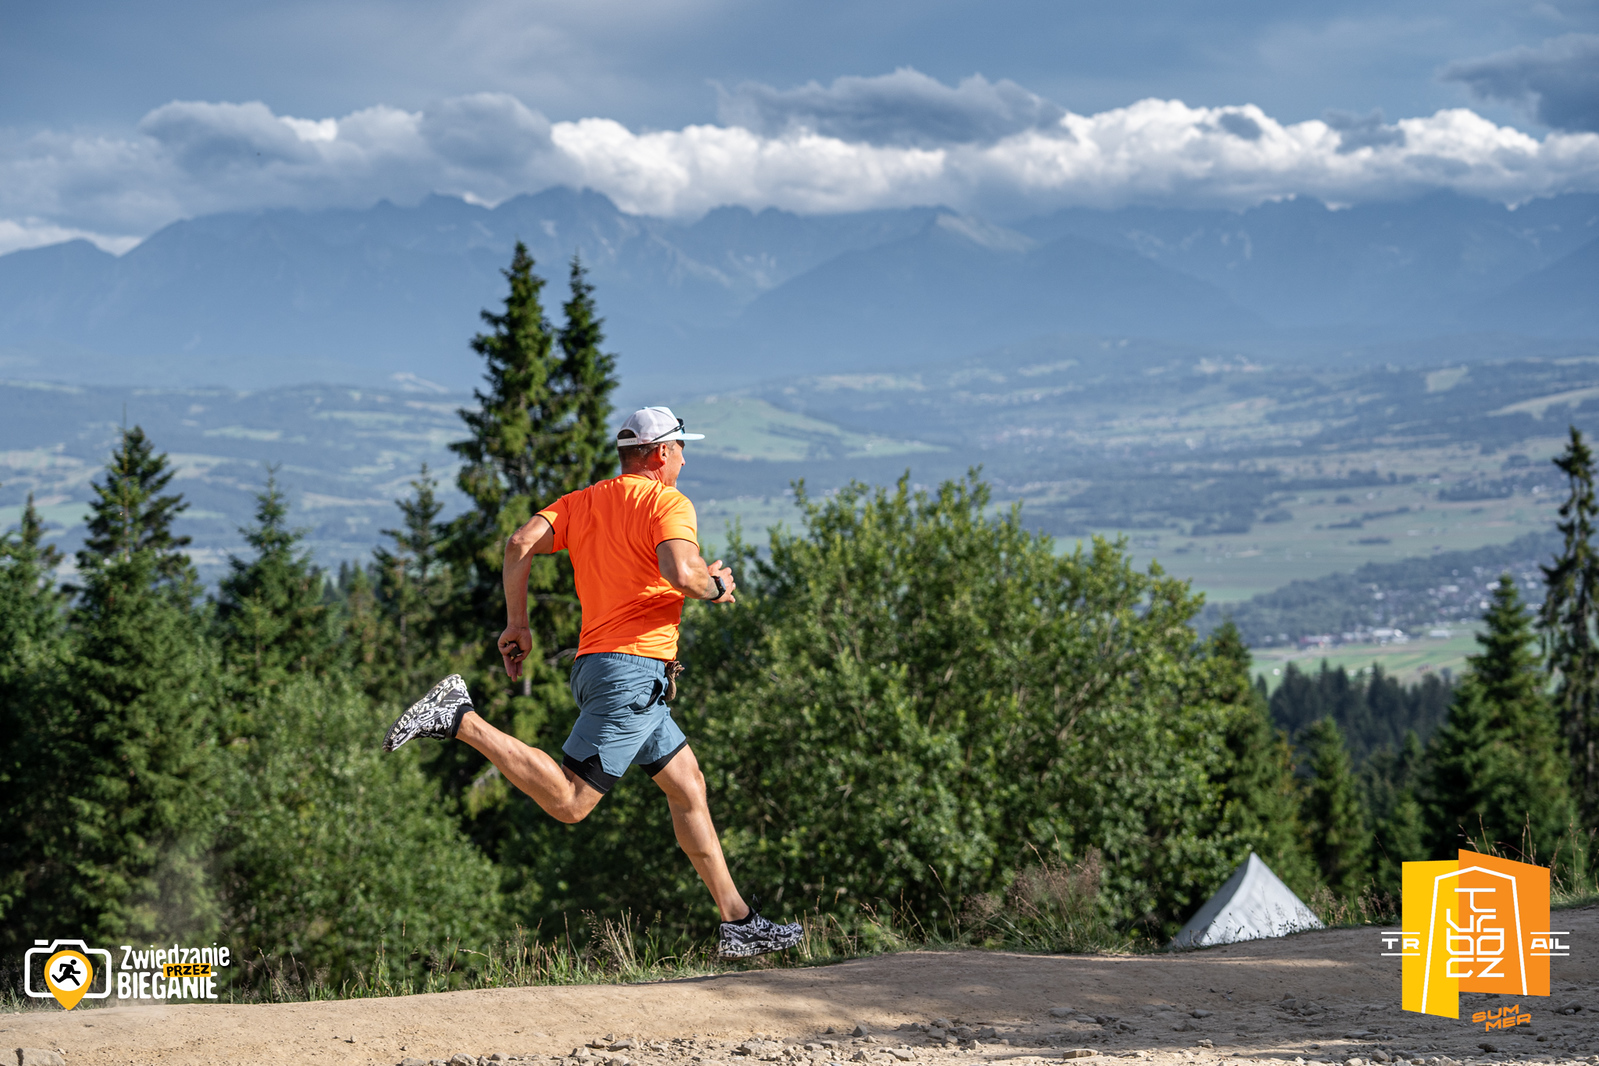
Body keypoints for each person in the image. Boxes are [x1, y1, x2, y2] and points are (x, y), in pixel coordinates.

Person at [383, 406, 802, 959]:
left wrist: (517, 624)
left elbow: (518, 543)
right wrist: (716, 584)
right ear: (660, 454)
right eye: (680, 448)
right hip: (631, 675)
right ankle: (461, 719)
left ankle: (739, 922)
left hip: (607, 670)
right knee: (573, 802)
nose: (684, 458)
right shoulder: (667, 502)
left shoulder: (585, 500)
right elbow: (683, 572)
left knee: (688, 785)